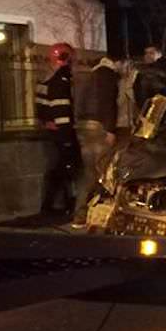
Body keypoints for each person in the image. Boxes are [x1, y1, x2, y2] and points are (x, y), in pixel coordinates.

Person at [73, 52, 121, 227]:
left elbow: (79, 102)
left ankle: (80, 213)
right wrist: (110, 129)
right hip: (100, 127)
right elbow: (109, 104)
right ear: (117, 62)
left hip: (84, 126)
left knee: (88, 172)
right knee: (101, 173)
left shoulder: (91, 75)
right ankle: (88, 214)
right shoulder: (108, 76)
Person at [36, 42, 80, 216]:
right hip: (61, 134)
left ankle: (51, 206)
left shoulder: (45, 80)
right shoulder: (61, 81)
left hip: (51, 132)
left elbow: (42, 109)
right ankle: (64, 205)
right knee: (65, 170)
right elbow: (62, 111)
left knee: (56, 171)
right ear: (66, 59)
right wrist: (67, 138)